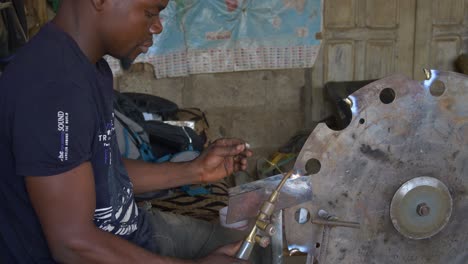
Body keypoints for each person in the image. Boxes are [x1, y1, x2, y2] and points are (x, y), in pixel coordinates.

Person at [0, 0, 253, 262]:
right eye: (150, 12)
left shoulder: (88, 67)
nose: (156, 26)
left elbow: (102, 172)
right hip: (98, 251)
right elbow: (72, 244)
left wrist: (196, 170)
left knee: (253, 249)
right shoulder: (53, 88)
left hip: (132, 232)